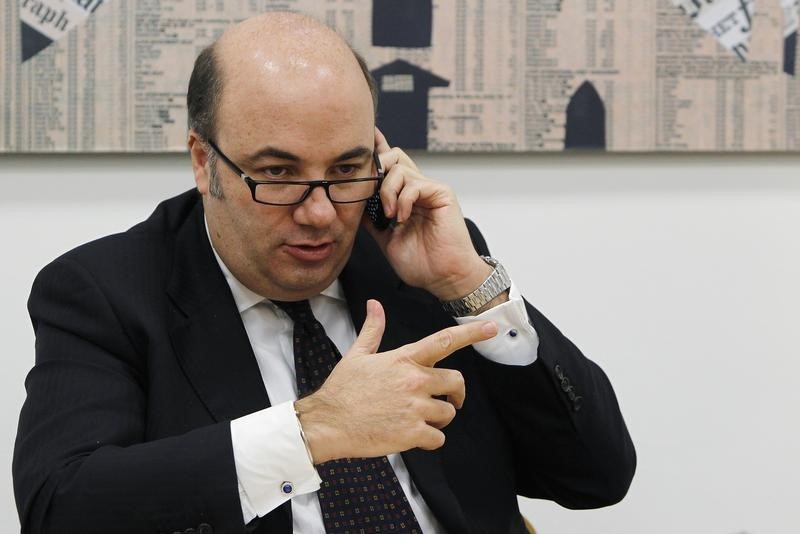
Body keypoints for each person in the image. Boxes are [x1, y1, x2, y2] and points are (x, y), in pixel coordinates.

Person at [13, 11, 635, 534]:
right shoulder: (106, 291)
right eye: (278, 174)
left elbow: (596, 478)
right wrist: (312, 430)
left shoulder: (416, 264)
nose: (320, 214)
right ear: (205, 164)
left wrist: (469, 286)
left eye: (345, 170)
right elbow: (62, 505)